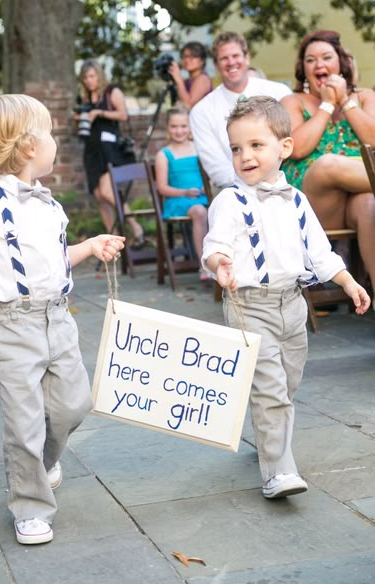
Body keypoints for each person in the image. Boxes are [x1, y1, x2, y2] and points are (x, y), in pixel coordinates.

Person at [0, 94, 125, 546]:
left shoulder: (47, 204)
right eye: (49, 134)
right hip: (11, 327)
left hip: (57, 320)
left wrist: (89, 247)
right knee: (23, 421)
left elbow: (51, 259)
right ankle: (29, 507)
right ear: (27, 147)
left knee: (74, 405)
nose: (55, 142)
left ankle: (45, 460)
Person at [202, 96, 370, 500]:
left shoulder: (297, 200)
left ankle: (267, 432)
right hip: (249, 306)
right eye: (237, 148)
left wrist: (348, 282)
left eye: (256, 145)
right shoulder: (230, 200)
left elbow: (320, 250)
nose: (245, 156)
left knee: (288, 383)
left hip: (293, 305)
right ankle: (278, 471)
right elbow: (214, 245)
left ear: (284, 148)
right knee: (271, 389)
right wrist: (219, 263)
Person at [281, 30, 375, 300]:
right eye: (311, 60)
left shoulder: (365, 97)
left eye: (326, 57)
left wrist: (345, 101)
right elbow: (296, 147)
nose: (319, 64)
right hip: (315, 205)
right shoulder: (293, 101)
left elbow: (373, 138)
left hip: (358, 197)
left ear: (341, 63)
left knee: (370, 204)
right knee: (327, 164)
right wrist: (325, 105)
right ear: (303, 68)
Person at [190, 31, 291, 189]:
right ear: (216, 65)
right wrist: (261, 185)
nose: (231, 62)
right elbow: (219, 171)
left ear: (247, 58)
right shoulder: (202, 111)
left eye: (236, 56)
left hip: (287, 183)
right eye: (224, 58)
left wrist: (275, 183)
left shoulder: (280, 92)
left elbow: (292, 143)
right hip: (236, 192)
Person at [76, 59, 144, 246]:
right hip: (92, 150)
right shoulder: (85, 97)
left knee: (107, 191)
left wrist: (100, 113)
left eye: (92, 76)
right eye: (86, 78)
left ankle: (135, 226)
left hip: (110, 148)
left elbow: (123, 115)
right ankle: (112, 240)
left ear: (99, 75)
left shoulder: (111, 92)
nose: (89, 81)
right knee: (99, 196)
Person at [155, 106, 209, 280]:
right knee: (200, 212)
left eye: (183, 126)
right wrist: (185, 192)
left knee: (223, 209)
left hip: (202, 196)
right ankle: (205, 266)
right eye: (174, 126)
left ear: (190, 127)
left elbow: (210, 175)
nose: (179, 131)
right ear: (167, 128)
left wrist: (205, 188)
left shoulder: (199, 148)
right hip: (178, 199)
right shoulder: (164, 155)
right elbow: (162, 188)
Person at [168, 41, 214, 109]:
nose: (187, 60)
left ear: (202, 60)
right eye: (184, 57)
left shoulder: (202, 79)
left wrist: (178, 79)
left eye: (192, 57)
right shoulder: (187, 81)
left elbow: (188, 105)